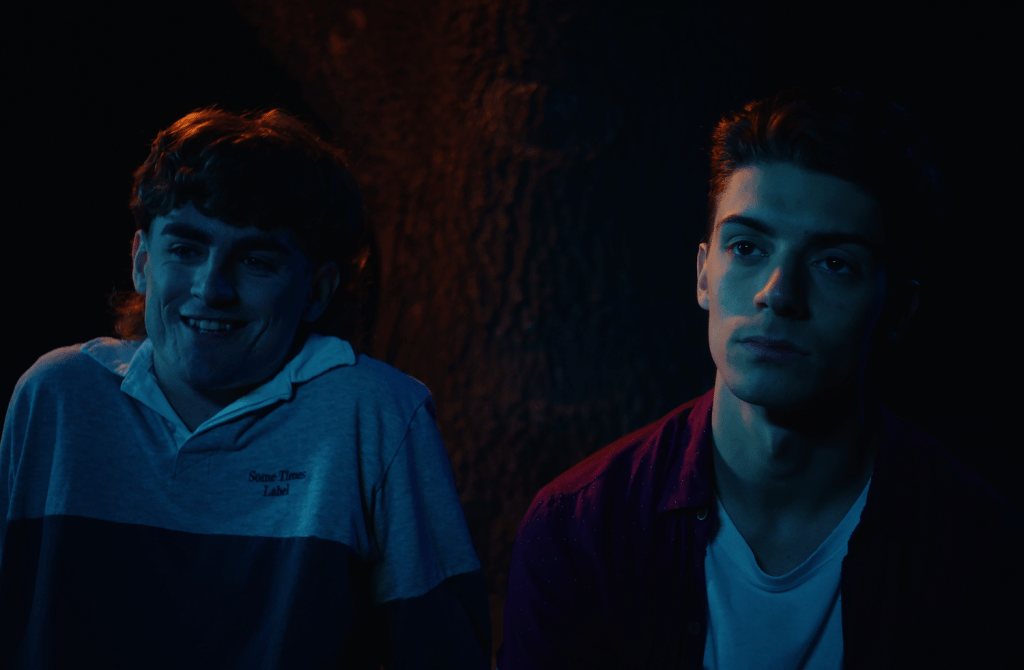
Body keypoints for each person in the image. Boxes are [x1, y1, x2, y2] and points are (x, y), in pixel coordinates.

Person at [497, 88, 1024, 668]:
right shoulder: (578, 529)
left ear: (896, 310)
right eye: (747, 247)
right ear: (704, 274)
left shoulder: (973, 549)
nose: (777, 293)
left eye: (834, 263)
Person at [0, 108, 490, 669]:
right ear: (141, 261)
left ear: (316, 291)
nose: (212, 288)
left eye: (256, 260)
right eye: (186, 249)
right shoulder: (57, 397)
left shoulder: (377, 414)